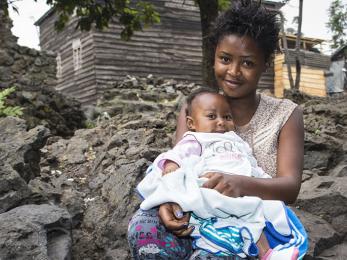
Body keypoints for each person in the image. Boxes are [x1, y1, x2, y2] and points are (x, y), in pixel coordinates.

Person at [127, 0, 307, 259]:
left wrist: (239, 183)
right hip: (196, 213)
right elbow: (178, 167)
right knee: (145, 228)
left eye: (247, 63)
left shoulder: (286, 115)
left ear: (265, 64)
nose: (233, 71)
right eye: (225, 59)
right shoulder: (194, 110)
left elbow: (290, 187)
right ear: (213, 57)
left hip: (255, 222)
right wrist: (167, 200)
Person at [136, 88, 303, 259]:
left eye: (227, 117)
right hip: (212, 190)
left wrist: (262, 179)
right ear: (192, 123)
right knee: (239, 219)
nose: (221, 122)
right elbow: (178, 154)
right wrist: (171, 165)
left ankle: (267, 253)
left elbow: (251, 164)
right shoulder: (197, 140)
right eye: (211, 116)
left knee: (255, 217)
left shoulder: (236, 141)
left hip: (241, 192)